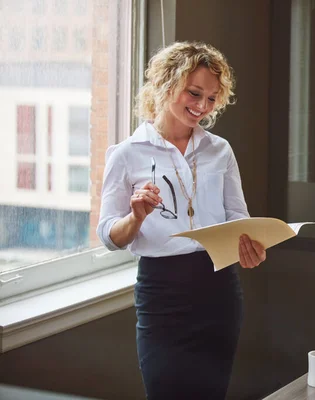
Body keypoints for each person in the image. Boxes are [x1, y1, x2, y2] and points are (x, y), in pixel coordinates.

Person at [96, 41, 266, 400]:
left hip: (219, 291)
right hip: (162, 295)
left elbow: (238, 218)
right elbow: (109, 236)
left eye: (212, 98)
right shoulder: (127, 154)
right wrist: (136, 216)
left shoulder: (220, 150)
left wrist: (251, 246)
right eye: (194, 93)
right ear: (165, 83)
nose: (202, 107)